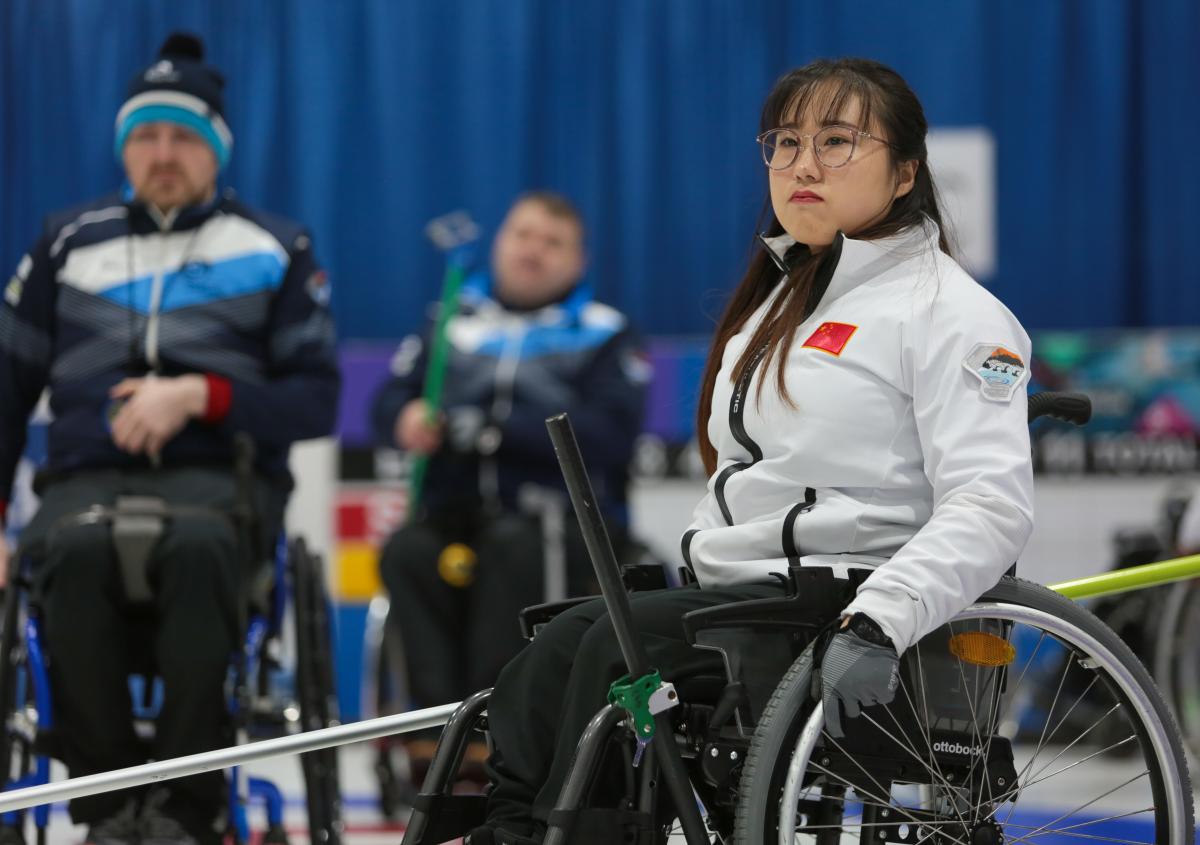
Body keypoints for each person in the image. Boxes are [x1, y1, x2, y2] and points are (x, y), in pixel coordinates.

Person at [460, 58, 1035, 845]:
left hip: (855, 600)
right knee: (548, 652)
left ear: (905, 172)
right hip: (753, 597)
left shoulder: (956, 314)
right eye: (787, 141)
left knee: (604, 652)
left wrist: (878, 621)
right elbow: (747, 481)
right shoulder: (782, 298)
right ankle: (512, 831)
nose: (803, 164)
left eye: (837, 142)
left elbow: (992, 505)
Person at [0, 33, 339, 845]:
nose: (162, 153)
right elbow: (9, 386)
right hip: (82, 482)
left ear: (215, 148)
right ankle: (110, 807)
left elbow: (316, 400)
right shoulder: (64, 241)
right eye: (146, 135)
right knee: (71, 556)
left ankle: (187, 810)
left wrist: (201, 394)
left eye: (183, 136)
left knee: (198, 549)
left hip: (222, 485)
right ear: (124, 146)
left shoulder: (274, 249)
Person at [371, 192, 648, 742]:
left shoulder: (605, 333)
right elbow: (388, 401)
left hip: (558, 522)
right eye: (523, 235)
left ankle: (497, 730)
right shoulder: (450, 320)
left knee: (513, 548)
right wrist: (406, 417)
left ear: (578, 261)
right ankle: (436, 733)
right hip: (453, 511)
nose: (533, 251)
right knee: (406, 551)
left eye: (553, 243)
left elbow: (611, 434)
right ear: (500, 243)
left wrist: (499, 433)